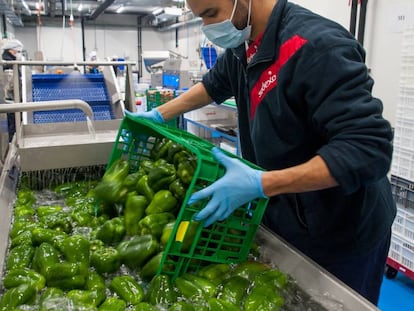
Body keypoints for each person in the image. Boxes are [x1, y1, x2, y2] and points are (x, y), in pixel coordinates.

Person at [126, 0, 396, 305]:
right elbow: (214, 85)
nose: (208, 28)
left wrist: (262, 183)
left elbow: (367, 148)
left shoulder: (316, 46)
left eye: (211, 14)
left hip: (342, 229)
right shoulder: (247, 42)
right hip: (291, 214)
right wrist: (160, 114)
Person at [2, 38, 23, 141]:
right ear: (11, 50)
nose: (19, 54)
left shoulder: (10, 60)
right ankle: (11, 140)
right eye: (18, 51)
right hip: (10, 97)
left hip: (12, 97)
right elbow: (9, 83)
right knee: (12, 120)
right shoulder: (8, 62)